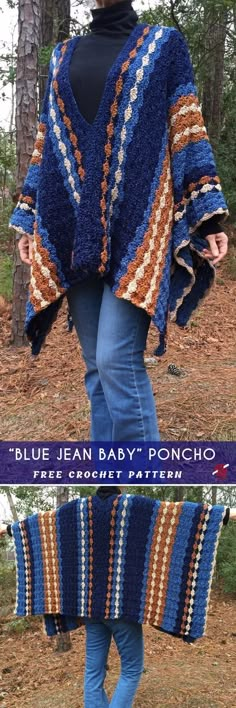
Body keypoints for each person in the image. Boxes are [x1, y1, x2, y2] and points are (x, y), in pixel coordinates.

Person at [9, 0, 229, 442]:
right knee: (95, 367)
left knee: (116, 359)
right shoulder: (62, 55)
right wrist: (31, 214)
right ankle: (109, 482)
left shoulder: (164, 45)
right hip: (72, 226)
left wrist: (207, 216)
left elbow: (186, 127)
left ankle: (144, 477)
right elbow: (46, 141)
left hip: (139, 228)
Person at [0, 487, 233, 707]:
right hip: (122, 610)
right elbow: (177, 516)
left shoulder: (76, 509)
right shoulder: (133, 506)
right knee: (132, 668)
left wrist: (9, 529)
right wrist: (225, 514)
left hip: (89, 611)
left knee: (94, 671)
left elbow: (39, 525)